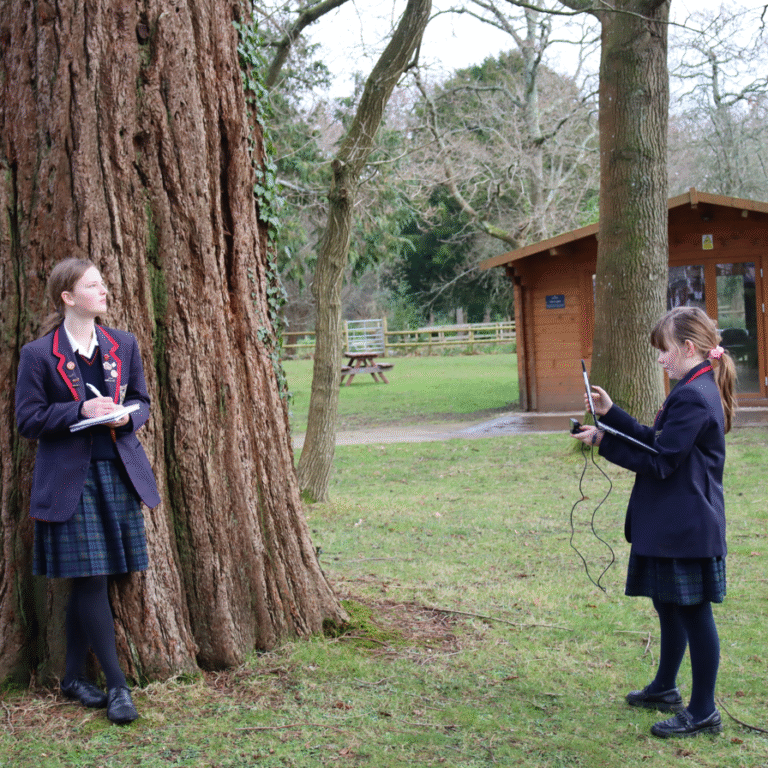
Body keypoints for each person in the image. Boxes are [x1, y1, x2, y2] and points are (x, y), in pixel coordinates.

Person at [572, 306, 736, 738]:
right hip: (676, 521)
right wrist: (611, 415)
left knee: (694, 613)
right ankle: (665, 687)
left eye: (665, 350)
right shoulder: (694, 386)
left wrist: (604, 441)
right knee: (669, 604)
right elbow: (660, 442)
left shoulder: (694, 394)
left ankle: (703, 711)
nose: (660, 359)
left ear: (688, 348)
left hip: (688, 525)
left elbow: (662, 461)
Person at [15, 257, 161, 725]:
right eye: (93, 285)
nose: (104, 290)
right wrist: (80, 409)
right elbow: (27, 420)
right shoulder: (39, 354)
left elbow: (142, 400)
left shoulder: (123, 344)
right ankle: (118, 687)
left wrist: (125, 416)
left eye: (102, 283)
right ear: (68, 297)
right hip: (67, 482)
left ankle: (74, 677)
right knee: (92, 578)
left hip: (117, 474)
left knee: (93, 577)